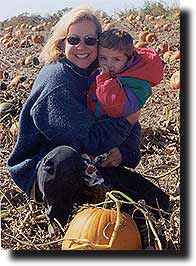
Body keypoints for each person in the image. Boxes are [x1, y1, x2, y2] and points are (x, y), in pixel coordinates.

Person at [7, 6, 169, 226]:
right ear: (61, 43)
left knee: (159, 205)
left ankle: (93, 195)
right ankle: (59, 220)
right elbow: (90, 140)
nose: (82, 47)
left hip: (92, 163)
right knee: (65, 158)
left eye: (90, 40)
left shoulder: (100, 73)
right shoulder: (57, 80)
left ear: (99, 44)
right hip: (49, 173)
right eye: (74, 40)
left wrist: (124, 153)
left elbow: (121, 112)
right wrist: (127, 122)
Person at [82, 28, 162, 187]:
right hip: (105, 126)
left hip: (124, 130)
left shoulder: (137, 82)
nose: (108, 64)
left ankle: (99, 187)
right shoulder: (110, 73)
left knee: (107, 159)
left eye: (116, 59)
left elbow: (114, 106)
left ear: (129, 59)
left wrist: (104, 80)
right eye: (103, 58)